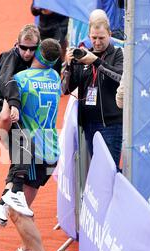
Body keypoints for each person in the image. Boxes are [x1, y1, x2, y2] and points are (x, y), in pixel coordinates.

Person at [0, 38, 62, 251]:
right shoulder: (55, 77)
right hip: (50, 150)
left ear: (35, 52)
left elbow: (4, 118)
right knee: (24, 203)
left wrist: (5, 141)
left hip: (30, 152)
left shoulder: (21, 80)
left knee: (16, 211)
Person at [0, 24, 40, 227]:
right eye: (23, 47)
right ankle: (15, 193)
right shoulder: (9, 56)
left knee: (20, 157)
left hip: (16, 114)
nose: (27, 53)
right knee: (26, 148)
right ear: (17, 44)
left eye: (32, 49)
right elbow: (7, 81)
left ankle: (1, 205)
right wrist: (14, 105)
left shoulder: (36, 59)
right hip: (1, 111)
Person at [62, 16, 123, 170]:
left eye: (101, 37)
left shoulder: (117, 54)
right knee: (96, 170)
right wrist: (68, 67)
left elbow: (121, 77)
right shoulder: (83, 55)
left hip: (110, 124)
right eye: (94, 38)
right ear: (89, 36)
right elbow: (65, 89)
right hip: (89, 124)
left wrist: (95, 61)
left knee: (109, 170)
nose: (97, 42)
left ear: (109, 34)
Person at [31, 1, 68, 73]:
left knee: (55, 53)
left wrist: (53, 10)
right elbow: (34, 11)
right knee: (40, 54)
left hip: (59, 29)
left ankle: (54, 77)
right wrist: (40, 9)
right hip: (43, 30)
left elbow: (67, 11)